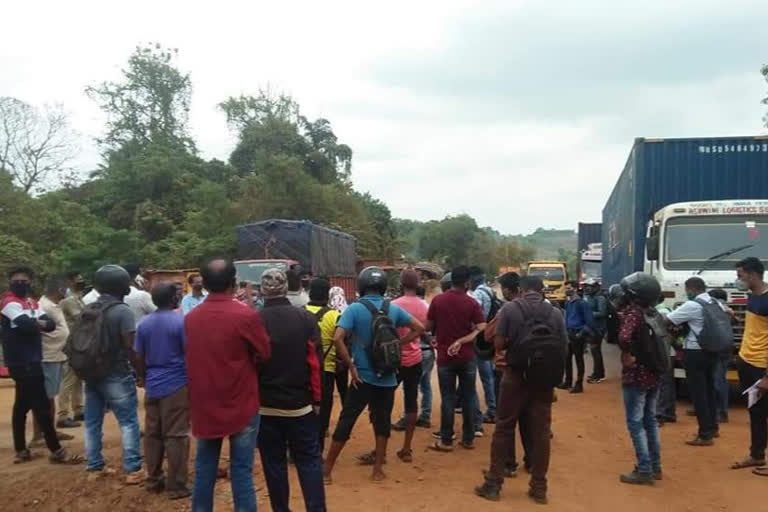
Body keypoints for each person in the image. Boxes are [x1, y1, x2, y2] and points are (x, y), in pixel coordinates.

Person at [323, 267, 424, 483]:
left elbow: (338, 338)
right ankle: (377, 470)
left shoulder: (354, 309)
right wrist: (399, 343)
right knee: (383, 421)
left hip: (363, 377)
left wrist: (351, 365)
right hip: (387, 377)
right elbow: (419, 327)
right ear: (383, 286)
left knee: (347, 420)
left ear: (361, 285)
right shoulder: (392, 308)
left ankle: (327, 471)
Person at [186, 258, 271, 511]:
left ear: (205, 284)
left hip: (205, 406)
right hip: (242, 402)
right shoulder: (245, 315)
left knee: (204, 469)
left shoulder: (192, 318)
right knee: (242, 470)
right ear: (233, 283)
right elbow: (264, 353)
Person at [474, 276, 567, 504]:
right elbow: (564, 345)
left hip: (515, 376)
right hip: (543, 380)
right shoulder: (555, 313)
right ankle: (539, 487)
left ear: (521, 290)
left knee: (504, 427)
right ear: (541, 290)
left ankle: (494, 484)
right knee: (541, 431)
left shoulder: (510, 309)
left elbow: (497, 344)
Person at [258, 269, 326, 512]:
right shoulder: (305, 318)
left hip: (265, 407)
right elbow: (315, 364)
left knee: (273, 465)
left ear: (261, 291)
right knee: (309, 462)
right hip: (300, 406)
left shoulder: (254, 320)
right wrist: (317, 400)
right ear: (287, 288)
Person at [1, 266, 82, 465]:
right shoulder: (8, 302)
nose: (21, 283)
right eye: (17, 280)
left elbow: (50, 324)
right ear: (10, 282)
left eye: (24, 280)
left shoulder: (31, 302)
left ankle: (21, 449)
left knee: (22, 405)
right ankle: (56, 450)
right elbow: (28, 325)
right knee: (42, 405)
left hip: (33, 358)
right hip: (22, 361)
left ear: (30, 282)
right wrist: (37, 323)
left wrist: (35, 323)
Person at [83, 265, 143, 482]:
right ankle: (133, 469)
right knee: (128, 421)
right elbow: (130, 347)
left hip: (91, 372)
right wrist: (140, 371)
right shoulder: (122, 311)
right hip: (116, 373)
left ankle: (94, 467)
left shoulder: (89, 308)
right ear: (123, 286)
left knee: (92, 421)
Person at [134, 282, 191, 500]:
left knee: (152, 434)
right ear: (173, 299)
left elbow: (138, 355)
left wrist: (143, 377)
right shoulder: (180, 321)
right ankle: (176, 486)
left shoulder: (145, 323)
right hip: (176, 383)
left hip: (153, 384)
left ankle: (153, 479)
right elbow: (189, 352)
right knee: (176, 435)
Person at [426, 266, 487, 452]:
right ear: (467, 282)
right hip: (467, 357)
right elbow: (482, 326)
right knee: (468, 397)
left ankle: (446, 440)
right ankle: (468, 439)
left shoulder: (438, 301)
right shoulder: (471, 303)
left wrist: (432, 339)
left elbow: (428, 326)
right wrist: (464, 339)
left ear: (451, 281)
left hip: (445, 358)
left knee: (448, 398)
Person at [616, 272, 663, 485]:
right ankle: (655, 466)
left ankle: (644, 469)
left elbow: (624, 337)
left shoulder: (633, 313)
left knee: (635, 422)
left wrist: (627, 354)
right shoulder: (653, 312)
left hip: (637, 374)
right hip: (655, 373)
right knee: (650, 420)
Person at [665, 277, 722, 446]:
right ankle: (713, 427)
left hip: (695, 352)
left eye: (687, 290)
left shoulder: (692, 305)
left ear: (691, 289)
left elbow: (667, 320)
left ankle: (705, 434)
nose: (686, 293)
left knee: (698, 394)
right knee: (710, 390)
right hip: (712, 351)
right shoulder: (715, 302)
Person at [492, 272, 531, 476]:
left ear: (508, 289)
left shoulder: (508, 309)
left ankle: (508, 465)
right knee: (528, 419)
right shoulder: (542, 308)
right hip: (534, 371)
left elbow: (492, 337)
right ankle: (531, 461)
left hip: (509, 370)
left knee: (506, 421)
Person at [731, 257, 768, 474]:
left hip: (761, 365)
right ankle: (756, 455)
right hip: (746, 361)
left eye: (740, 275)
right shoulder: (751, 297)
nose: (738, 280)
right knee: (756, 412)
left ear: (753, 275)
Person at [388, 269, 428, 462]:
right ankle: (407, 448)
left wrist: (397, 343)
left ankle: (380, 447)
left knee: (384, 401)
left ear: (401, 283)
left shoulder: (392, 305)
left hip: (393, 361)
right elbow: (425, 330)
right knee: (411, 402)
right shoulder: (424, 305)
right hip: (415, 358)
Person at [32, 275, 74, 445]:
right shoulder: (43, 306)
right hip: (47, 356)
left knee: (50, 396)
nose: (68, 291)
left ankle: (50, 431)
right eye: (66, 288)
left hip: (56, 355)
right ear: (59, 290)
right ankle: (38, 435)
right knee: (44, 398)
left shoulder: (53, 305)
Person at [304, 278, 341, 453]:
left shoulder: (300, 313)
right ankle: (317, 451)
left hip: (302, 371)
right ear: (327, 295)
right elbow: (343, 344)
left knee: (303, 410)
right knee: (323, 411)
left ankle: (297, 449)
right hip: (326, 371)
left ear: (310, 292)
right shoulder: (334, 316)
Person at [393, 279, 434, 430]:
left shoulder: (395, 304)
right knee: (426, 385)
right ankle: (425, 416)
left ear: (402, 285)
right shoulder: (427, 306)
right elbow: (430, 330)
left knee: (409, 389)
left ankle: (406, 419)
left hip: (407, 352)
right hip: (426, 352)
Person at [58, 271, 86, 428]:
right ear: (69, 282)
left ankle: (78, 409)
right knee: (69, 378)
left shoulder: (78, 297)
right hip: (72, 342)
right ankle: (62, 415)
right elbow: (80, 317)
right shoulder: (69, 300)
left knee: (77, 377)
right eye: (78, 280)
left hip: (78, 341)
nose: (81, 281)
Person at [470, 266, 497, 427]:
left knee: (480, 375)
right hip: (489, 335)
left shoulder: (478, 294)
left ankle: (489, 410)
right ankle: (493, 408)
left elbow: (473, 315)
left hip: (478, 335)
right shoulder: (490, 291)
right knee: (489, 374)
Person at [559, 281, 594, 394]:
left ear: (575, 289)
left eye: (568, 288)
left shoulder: (582, 303)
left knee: (579, 359)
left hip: (578, 334)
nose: (566, 290)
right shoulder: (569, 303)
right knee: (567, 358)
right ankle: (568, 381)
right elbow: (567, 318)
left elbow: (589, 321)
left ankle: (579, 384)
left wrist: (581, 333)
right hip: (569, 334)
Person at [709, 288, 733, 423]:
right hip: (724, 348)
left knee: (718, 381)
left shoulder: (721, 309)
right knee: (717, 379)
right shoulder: (727, 310)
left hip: (719, 349)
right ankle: (717, 410)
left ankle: (722, 412)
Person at [655, 295, 678, 425]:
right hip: (670, 352)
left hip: (663, 352)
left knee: (662, 384)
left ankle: (660, 415)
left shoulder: (659, 312)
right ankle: (670, 413)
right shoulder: (668, 310)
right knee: (668, 383)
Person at [583, 279, 608, 384]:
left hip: (599, 329)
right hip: (592, 327)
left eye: (591, 286)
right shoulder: (589, 297)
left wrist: (589, 313)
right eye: (587, 286)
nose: (588, 288)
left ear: (597, 287)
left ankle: (598, 375)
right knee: (595, 351)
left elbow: (602, 313)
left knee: (595, 350)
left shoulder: (600, 298)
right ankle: (598, 373)